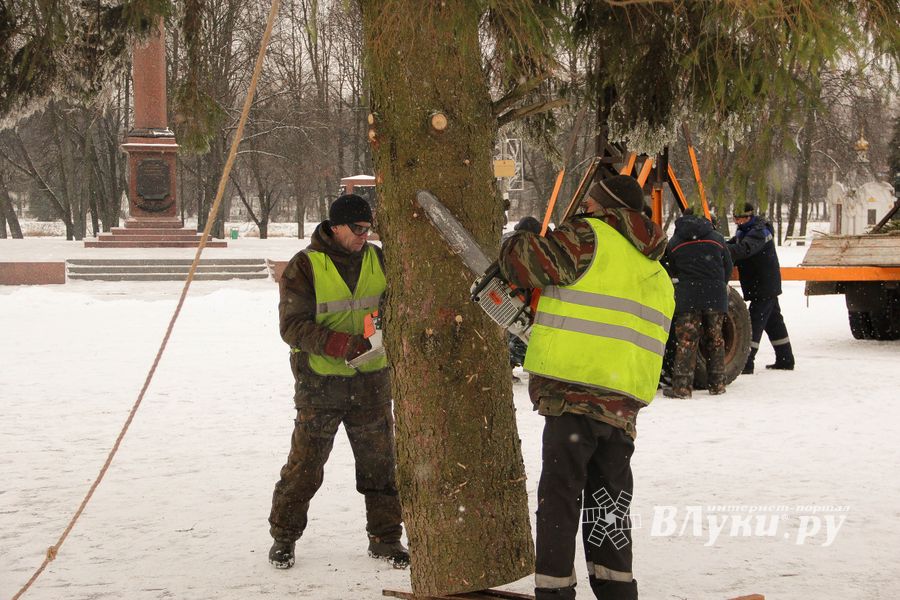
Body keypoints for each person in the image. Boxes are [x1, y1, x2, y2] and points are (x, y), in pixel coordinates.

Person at [499, 175, 674, 600]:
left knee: (560, 501)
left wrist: (516, 239)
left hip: (573, 396)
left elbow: (520, 263)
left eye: (588, 205)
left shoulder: (587, 237)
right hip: (621, 406)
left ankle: (555, 593)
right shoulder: (655, 271)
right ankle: (617, 591)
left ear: (601, 207)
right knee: (608, 506)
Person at [267, 194, 408, 570]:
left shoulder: (378, 259)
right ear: (335, 227)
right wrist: (340, 344)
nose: (365, 236)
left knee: (380, 467)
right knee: (304, 468)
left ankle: (386, 537)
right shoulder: (305, 266)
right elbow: (292, 326)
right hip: (320, 386)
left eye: (368, 229)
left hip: (371, 383)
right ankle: (284, 536)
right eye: (357, 229)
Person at [663, 209, 733, 398]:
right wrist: (719, 282)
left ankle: (682, 388)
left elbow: (670, 267)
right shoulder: (716, 237)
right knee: (715, 340)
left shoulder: (676, 241)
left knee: (686, 341)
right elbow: (728, 264)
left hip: (688, 295)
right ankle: (717, 384)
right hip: (715, 295)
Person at [727, 202, 795, 373]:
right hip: (761, 284)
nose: (738, 222)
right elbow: (734, 244)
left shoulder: (759, 232)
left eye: (741, 218)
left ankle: (746, 362)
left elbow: (743, 250)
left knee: (754, 322)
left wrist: (719, 250)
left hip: (764, 285)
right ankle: (785, 359)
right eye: (736, 218)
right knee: (774, 322)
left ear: (750, 216)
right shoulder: (745, 231)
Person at [505, 216, 543, 380]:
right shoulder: (523, 251)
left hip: (535, 310)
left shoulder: (535, 255)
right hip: (527, 307)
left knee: (519, 343)